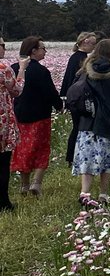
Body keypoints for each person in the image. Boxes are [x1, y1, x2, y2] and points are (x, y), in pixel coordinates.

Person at [72, 37, 110, 209]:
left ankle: (85, 193)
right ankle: (103, 195)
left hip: (88, 122)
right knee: (107, 160)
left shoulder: (85, 70)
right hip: (109, 123)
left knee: (87, 159)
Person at [11, 37, 63, 198]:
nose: (45, 51)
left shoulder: (13, 68)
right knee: (41, 148)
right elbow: (50, 93)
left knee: (23, 149)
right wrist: (59, 105)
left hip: (19, 116)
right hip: (40, 116)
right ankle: (36, 183)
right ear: (33, 50)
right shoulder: (41, 71)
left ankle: (24, 185)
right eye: (42, 48)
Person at [59, 31, 98, 165]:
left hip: (73, 98)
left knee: (77, 127)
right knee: (78, 128)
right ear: (84, 42)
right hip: (78, 99)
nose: (94, 46)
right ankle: (72, 156)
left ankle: (72, 157)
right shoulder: (80, 58)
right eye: (93, 43)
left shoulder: (76, 57)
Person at [0, 38, 23, 212]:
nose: (4, 49)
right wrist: (21, 70)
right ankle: (3, 201)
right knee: (2, 162)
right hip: (2, 123)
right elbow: (17, 90)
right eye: (2, 45)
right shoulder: (4, 69)